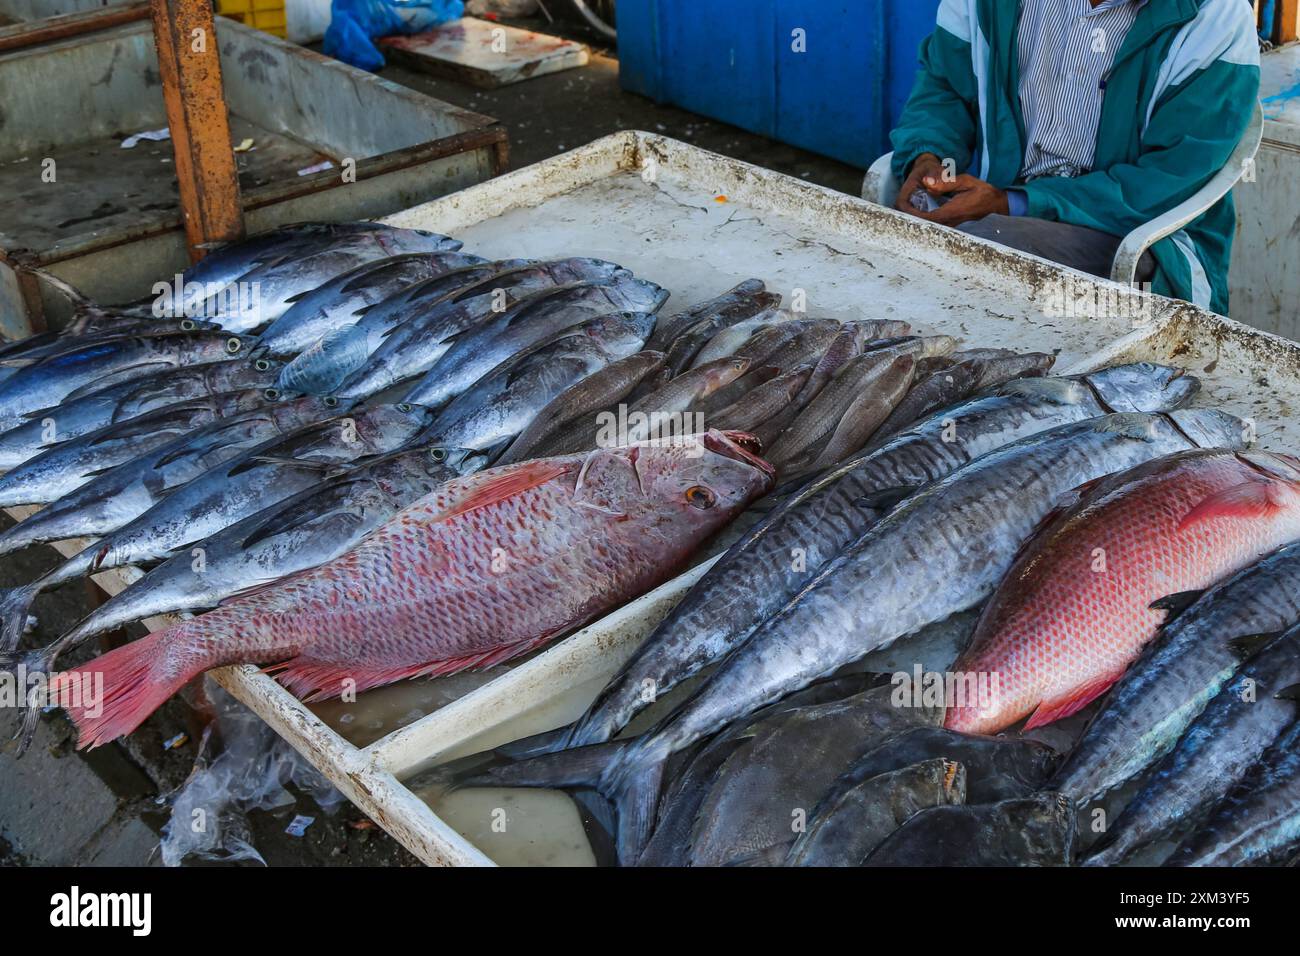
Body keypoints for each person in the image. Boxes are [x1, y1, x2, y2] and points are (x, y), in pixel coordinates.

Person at [890, 0, 1260, 314]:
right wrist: (929, 158)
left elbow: (1166, 181)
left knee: (973, 249)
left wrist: (1014, 203)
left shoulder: (1217, 17)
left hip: (1138, 235)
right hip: (999, 207)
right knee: (900, 241)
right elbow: (946, 88)